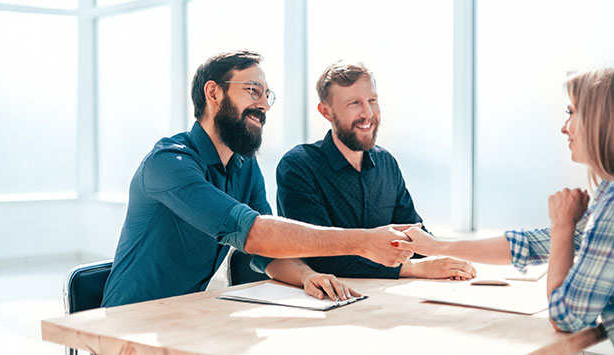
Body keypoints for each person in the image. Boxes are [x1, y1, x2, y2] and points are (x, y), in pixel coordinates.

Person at [101, 50, 414, 307]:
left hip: (187, 311)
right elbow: (254, 234)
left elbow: (265, 252)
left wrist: (305, 275)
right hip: (127, 323)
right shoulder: (169, 163)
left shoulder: (244, 166)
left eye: (267, 95)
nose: (264, 104)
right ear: (213, 92)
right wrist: (364, 242)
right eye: (252, 90)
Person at [392, 67, 614, 343]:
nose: (563, 126)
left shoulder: (611, 209)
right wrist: (436, 246)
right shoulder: (607, 192)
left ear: (599, 120)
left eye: (571, 112)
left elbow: (566, 318)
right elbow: (533, 244)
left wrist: (562, 226)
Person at [251, 61, 475, 301]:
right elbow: (320, 254)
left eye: (372, 100)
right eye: (354, 103)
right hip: (326, 299)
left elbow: (413, 232)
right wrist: (416, 269)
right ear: (326, 112)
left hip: (384, 297)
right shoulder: (299, 166)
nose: (367, 114)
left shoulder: (386, 163)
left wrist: (443, 257)